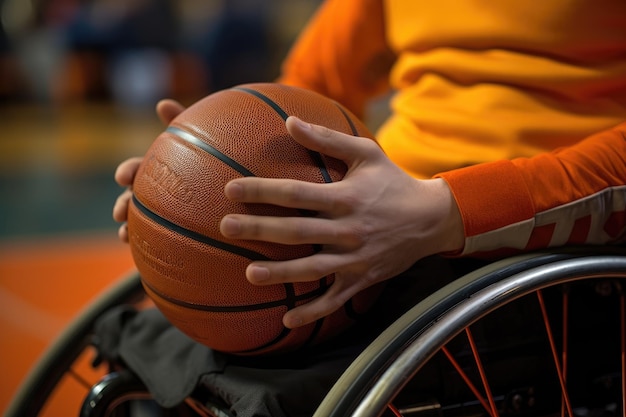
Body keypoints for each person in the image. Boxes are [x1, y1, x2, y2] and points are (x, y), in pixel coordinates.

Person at [113, 0, 626, 330]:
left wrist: (446, 211)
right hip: (382, 207)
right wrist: (212, 172)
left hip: (550, 240)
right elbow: (310, 86)